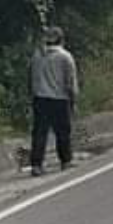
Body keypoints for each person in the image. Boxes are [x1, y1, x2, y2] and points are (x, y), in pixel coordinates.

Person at [29, 26, 79, 177]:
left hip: (40, 98)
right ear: (61, 40)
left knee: (39, 132)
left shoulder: (37, 55)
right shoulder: (65, 57)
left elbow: (31, 77)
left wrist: (32, 94)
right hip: (59, 98)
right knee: (63, 131)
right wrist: (73, 99)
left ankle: (36, 165)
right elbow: (70, 81)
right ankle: (65, 160)